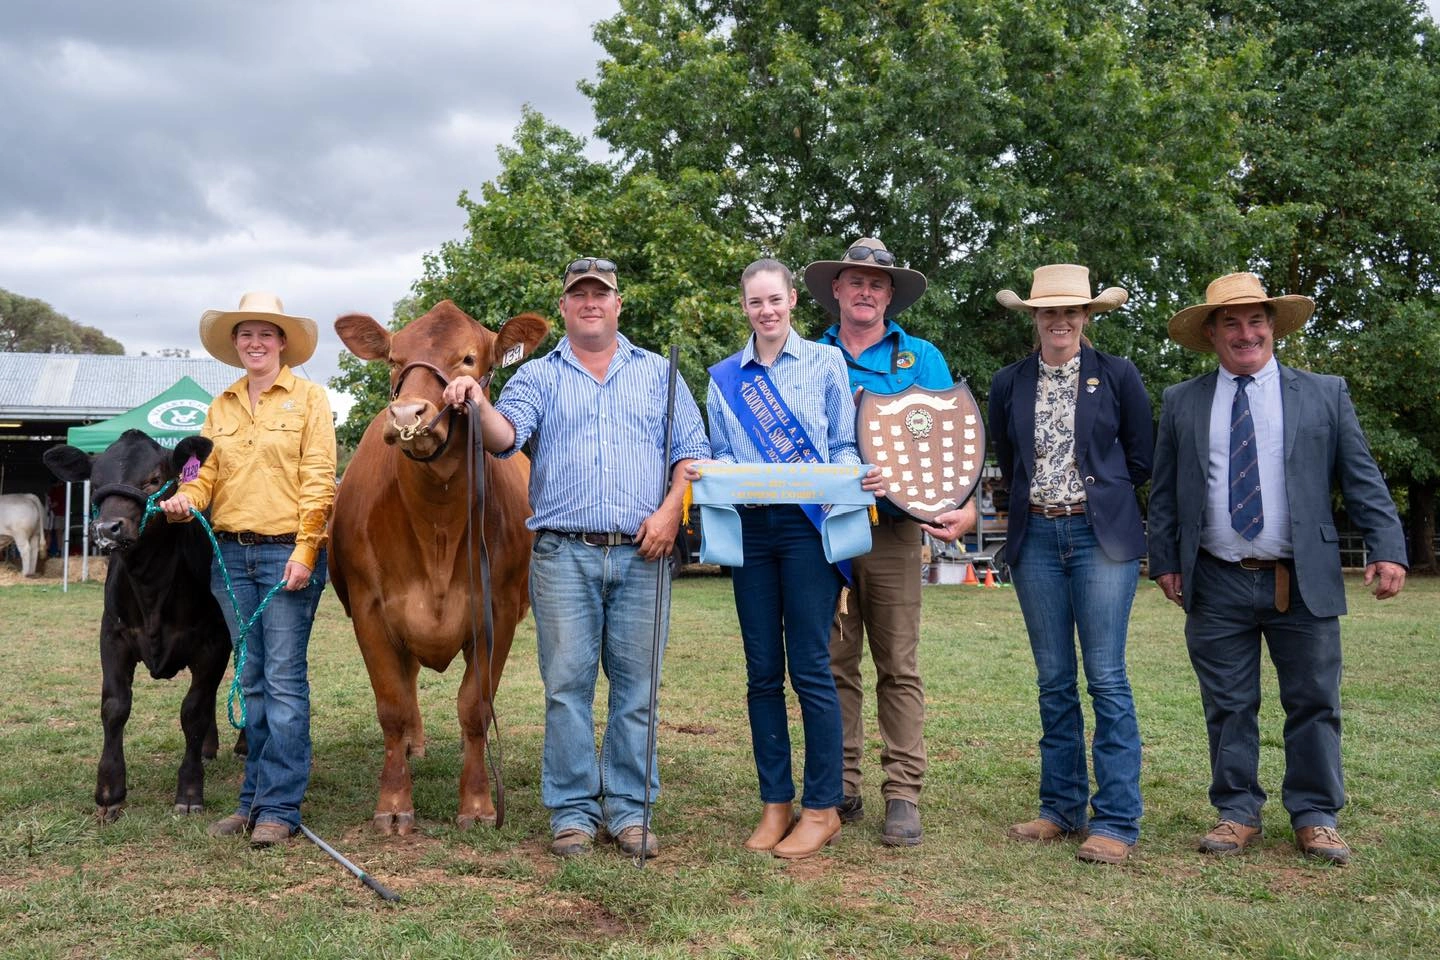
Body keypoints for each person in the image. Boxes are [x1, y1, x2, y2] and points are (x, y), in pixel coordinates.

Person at [443, 257, 709, 859]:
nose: (590, 302)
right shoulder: (537, 376)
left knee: (637, 688)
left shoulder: (661, 374)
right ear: (564, 307)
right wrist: (474, 398)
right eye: (578, 294)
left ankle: (631, 810)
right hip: (563, 553)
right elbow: (505, 439)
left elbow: (692, 455)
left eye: (601, 293)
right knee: (566, 686)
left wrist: (672, 511)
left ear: (619, 304)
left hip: (645, 551)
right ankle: (571, 812)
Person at [1149, 272, 1407, 865]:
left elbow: (1361, 478)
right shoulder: (1183, 401)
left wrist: (1387, 547)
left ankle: (1316, 815)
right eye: (1232, 323)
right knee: (1229, 703)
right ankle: (1237, 812)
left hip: (1302, 577)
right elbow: (1165, 492)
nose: (1247, 333)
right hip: (1214, 576)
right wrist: (1164, 559)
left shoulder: (1323, 393)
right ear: (1211, 334)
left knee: (1314, 699)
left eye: (1257, 321)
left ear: (1273, 328)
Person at [697, 258, 885, 859]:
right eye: (755, 303)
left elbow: (839, 445)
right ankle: (775, 802)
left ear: (792, 303)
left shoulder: (827, 362)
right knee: (760, 672)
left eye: (775, 300)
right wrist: (710, 473)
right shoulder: (724, 377)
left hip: (808, 530)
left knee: (810, 666)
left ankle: (822, 807)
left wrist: (860, 474)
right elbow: (721, 454)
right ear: (745, 307)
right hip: (750, 529)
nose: (767, 311)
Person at [803, 237, 975, 846]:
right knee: (832, 662)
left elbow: (949, 436)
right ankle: (841, 785)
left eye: (878, 283)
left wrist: (962, 500)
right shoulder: (808, 355)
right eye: (857, 282)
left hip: (895, 531)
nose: (867, 291)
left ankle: (902, 793)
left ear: (889, 295)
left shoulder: (921, 356)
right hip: (824, 527)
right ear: (838, 291)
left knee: (897, 665)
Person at [988, 264, 1152, 865]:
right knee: (1053, 679)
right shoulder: (1008, 382)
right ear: (1034, 318)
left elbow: (1141, 456)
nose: (1060, 321)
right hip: (1035, 538)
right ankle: (1060, 807)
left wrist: (1100, 499)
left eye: (1070, 312)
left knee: (1106, 676)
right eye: (1048, 312)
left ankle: (1115, 819)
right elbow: (1010, 459)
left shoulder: (1117, 375)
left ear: (1087, 317)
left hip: (1099, 538)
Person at [162, 291, 336, 848]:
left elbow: (319, 479)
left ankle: (279, 808)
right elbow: (201, 471)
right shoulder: (221, 406)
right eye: (245, 335)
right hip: (231, 557)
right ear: (235, 345)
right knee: (252, 680)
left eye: (266, 334)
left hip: (288, 554)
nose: (255, 343)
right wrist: (185, 496)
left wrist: (306, 551)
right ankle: (251, 801)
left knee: (283, 682)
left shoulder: (310, 400)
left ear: (283, 343)